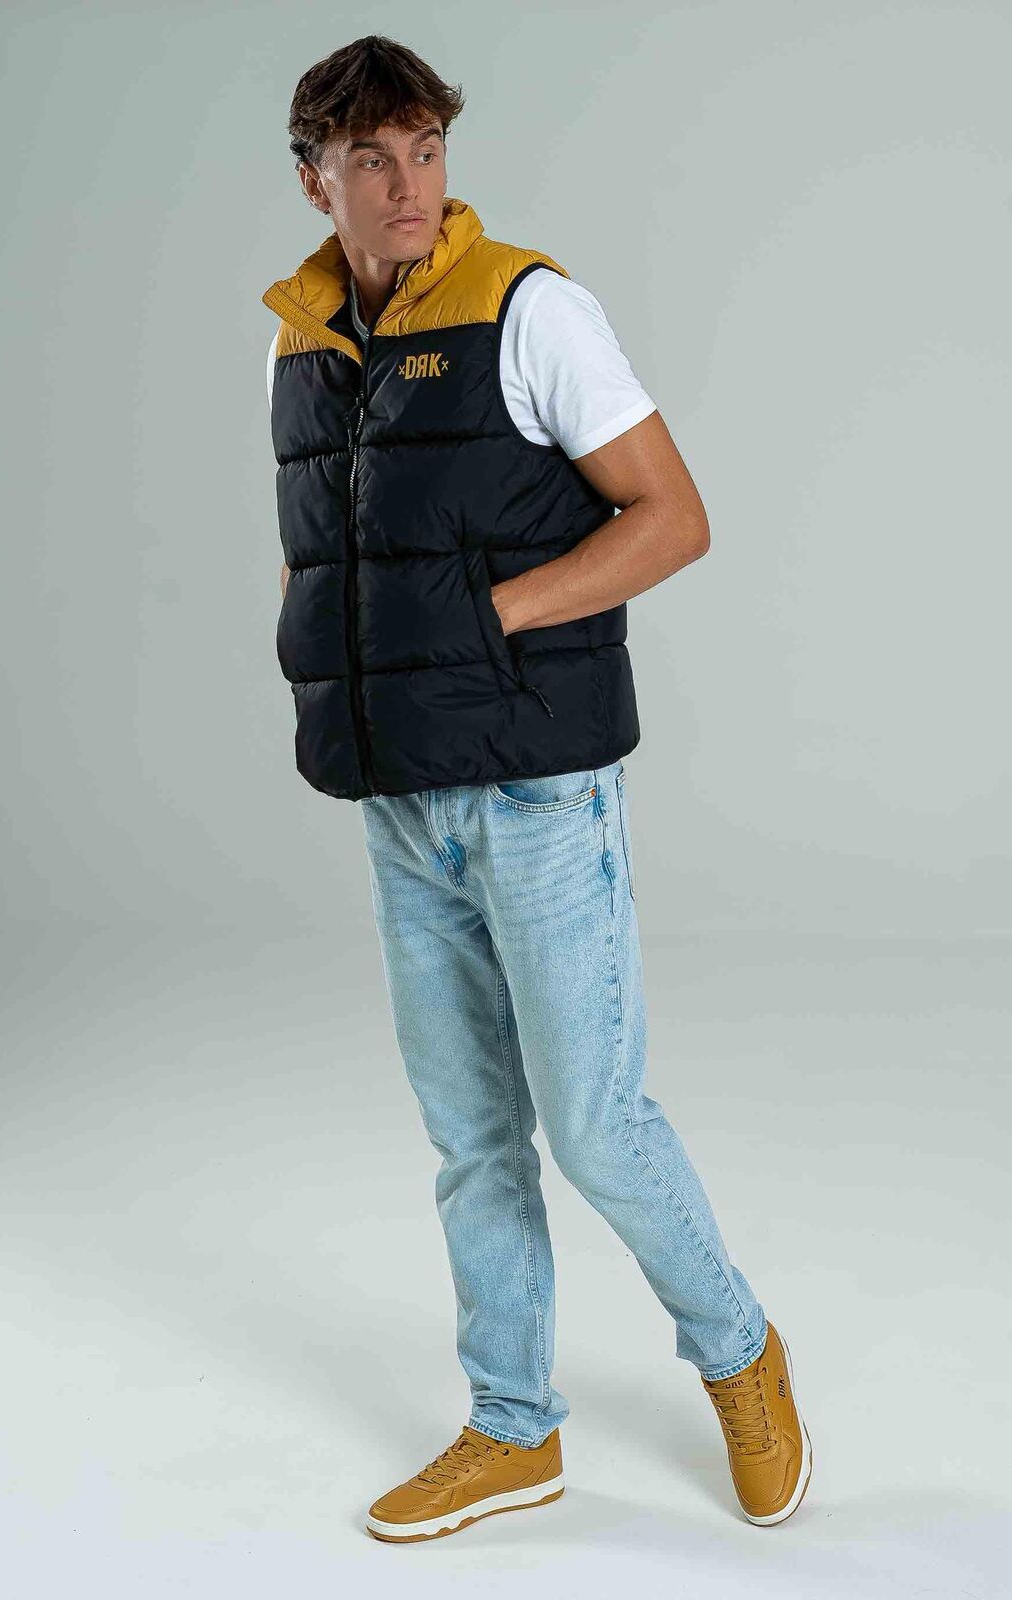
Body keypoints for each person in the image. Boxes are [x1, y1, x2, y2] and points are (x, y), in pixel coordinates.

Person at [262, 35, 810, 1542]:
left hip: (538, 795)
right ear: (316, 181)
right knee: (471, 1140)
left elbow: (673, 518)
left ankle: (739, 1351)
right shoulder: (300, 343)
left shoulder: (530, 311)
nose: (408, 186)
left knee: (596, 1125)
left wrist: (485, 620)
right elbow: (331, 552)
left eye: (425, 149)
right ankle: (513, 1427)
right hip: (402, 800)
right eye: (371, 159)